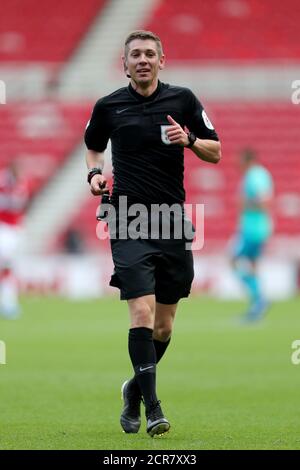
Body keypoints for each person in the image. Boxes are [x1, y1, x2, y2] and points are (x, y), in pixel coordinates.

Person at [84, 30, 221, 437]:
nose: (142, 60)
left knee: (163, 327)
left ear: (162, 60)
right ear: (123, 63)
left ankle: (132, 392)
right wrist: (94, 175)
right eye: (135, 55)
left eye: (149, 54)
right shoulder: (108, 106)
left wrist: (191, 139)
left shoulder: (183, 101)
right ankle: (154, 407)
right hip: (126, 216)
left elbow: (216, 150)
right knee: (140, 313)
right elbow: (92, 145)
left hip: (172, 220)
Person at [230, 149, 274, 322]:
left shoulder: (254, 175)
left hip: (253, 229)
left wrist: (244, 202)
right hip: (260, 228)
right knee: (253, 265)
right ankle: (257, 305)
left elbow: (264, 200)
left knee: (233, 260)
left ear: (247, 160)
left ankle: (259, 298)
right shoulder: (261, 174)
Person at [0, 161, 29, 319]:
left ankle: (8, 302)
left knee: (9, 268)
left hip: (14, 229)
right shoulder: (4, 183)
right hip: (4, 229)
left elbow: (19, 205)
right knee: (7, 267)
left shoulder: (19, 184)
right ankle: (8, 303)